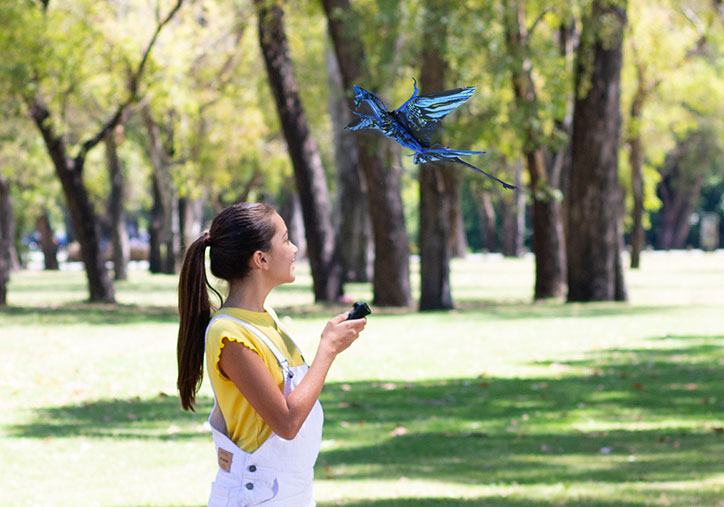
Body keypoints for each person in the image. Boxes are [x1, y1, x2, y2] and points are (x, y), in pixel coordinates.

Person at [176, 202, 366, 506]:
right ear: (260, 259)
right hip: (255, 497)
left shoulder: (267, 317)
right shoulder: (229, 334)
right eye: (286, 239)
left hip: (292, 493)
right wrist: (327, 350)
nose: (294, 249)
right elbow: (287, 423)